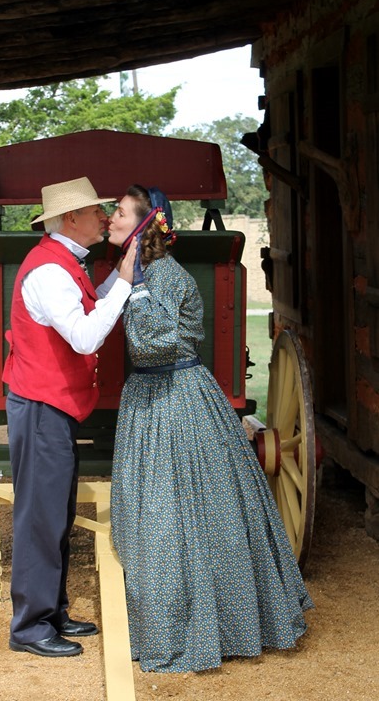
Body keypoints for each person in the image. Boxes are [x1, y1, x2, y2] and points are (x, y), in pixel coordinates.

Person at [107, 183, 314, 673]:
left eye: (118, 212)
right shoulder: (148, 273)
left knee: (171, 517)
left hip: (176, 400)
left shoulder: (161, 276)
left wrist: (129, 285)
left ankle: (198, 628)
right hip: (153, 398)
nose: (109, 218)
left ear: (142, 226)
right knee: (167, 516)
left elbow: (150, 345)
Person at [2, 176, 137, 658]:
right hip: (41, 406)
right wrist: (125, 281)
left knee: (54, 512)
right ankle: (30, 627)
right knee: (41, 516)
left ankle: (51, 611)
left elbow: (91, 305)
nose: (104, 216)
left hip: (50, 405)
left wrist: (119, 280)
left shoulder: (64, 264)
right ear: (69, 220)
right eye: (94, 210)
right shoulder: (49, 272)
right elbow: (84, 337)